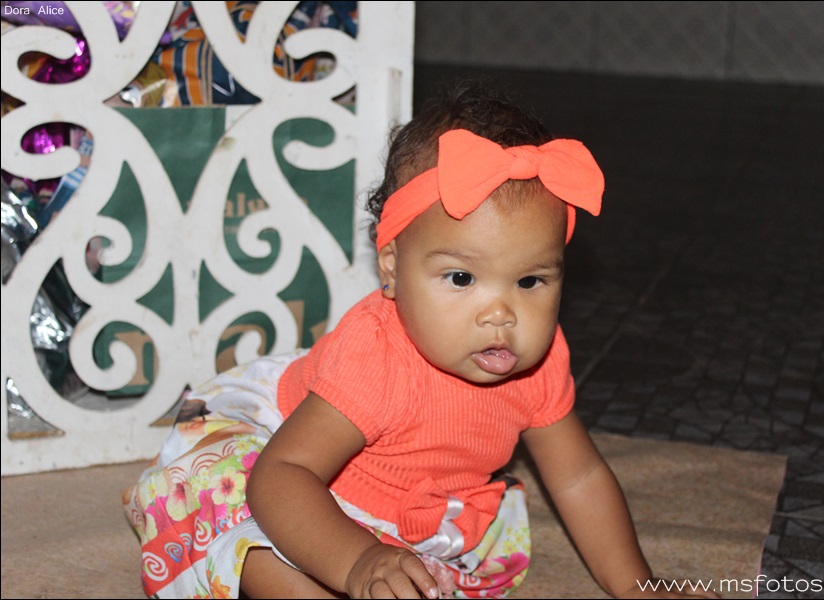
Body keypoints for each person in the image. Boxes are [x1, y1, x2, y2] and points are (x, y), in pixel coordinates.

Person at [125, 81, 713, 599]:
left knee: (439, 569)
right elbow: (283, 475)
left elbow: (578, 476)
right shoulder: (376, 357)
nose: (501, 314)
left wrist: (636, 585)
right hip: (283, 459)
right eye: (461, 278)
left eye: (530, 281)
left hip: (415, 509)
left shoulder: (539, 364)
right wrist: (356, 560)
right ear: (391, 269)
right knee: (234, 510)